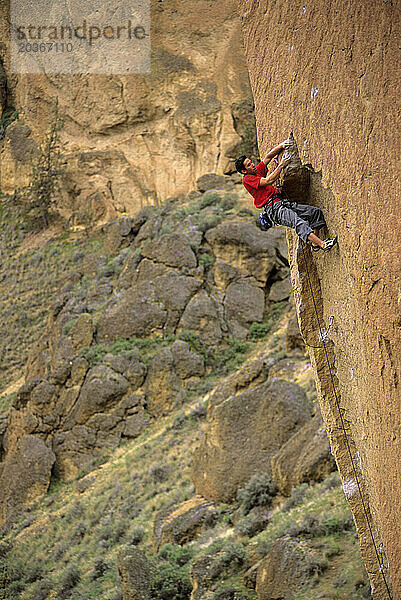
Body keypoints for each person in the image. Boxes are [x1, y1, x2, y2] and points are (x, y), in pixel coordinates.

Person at [235, 140, 337, 251]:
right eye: (249, 165)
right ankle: (323, 245)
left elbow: (268, 157)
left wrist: (281, 145)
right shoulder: (247, 179)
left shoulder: (256, 171)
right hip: (274, 209)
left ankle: (315, 244)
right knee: (297, 222)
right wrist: (282, 165)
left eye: (251, 162)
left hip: (281, 202)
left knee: (314, 213)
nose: (253, 165)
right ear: (244, 171)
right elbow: (268, 180)